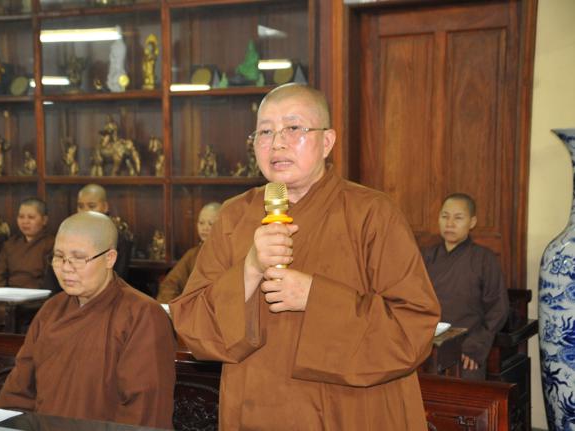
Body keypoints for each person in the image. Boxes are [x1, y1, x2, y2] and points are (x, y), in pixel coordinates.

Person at [170, 83, 440, 430]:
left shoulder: (372, 214)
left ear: (327, 141)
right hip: (254, 413)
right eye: (265, 132)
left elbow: (413, 328)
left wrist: (314, 297)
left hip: (349, 413)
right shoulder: (234, 216)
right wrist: (250, 269)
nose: (277, 143)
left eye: (293, 128)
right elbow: (193, 324)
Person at [0, 212, 175, 427]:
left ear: (109, 258)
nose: (66, 268)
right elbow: (18, 391)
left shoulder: (142, 315)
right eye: (59, 257)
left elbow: (145, 409)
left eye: (79, 258)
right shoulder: (51, 310)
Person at [422, 193, 509, 380]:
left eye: (458, 218)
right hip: (427, 348)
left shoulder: (484, 259)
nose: (450, 223)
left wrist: (476, 345)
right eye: (445, 216)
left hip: (466, 349)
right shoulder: (426, 257)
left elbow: (498, 309)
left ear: (472, 222)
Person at [156, 202, 221, 303]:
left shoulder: (231, 255)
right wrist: (172, 307)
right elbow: (170, 283)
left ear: (222, 226)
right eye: (201, 223)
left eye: (210, 224)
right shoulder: (193, 254)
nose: (204, 228)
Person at [0, 198, 54, 289]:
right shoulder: (10, 244)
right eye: (21, 217)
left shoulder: (51, 244)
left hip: (38, 295)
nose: (25, 222)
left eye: (31, 217)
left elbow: (51, 282)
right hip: (9, 295)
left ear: (44, 220)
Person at [76, 184, 133, 280]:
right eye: (80, 206)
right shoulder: (73, 233)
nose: (85, 211)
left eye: (92, 206)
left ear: (105, 207)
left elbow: (118, 275)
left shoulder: (118, 236)